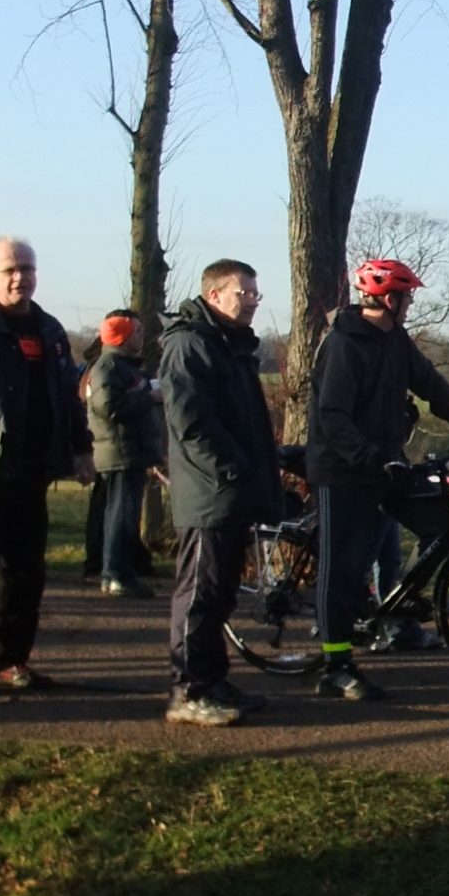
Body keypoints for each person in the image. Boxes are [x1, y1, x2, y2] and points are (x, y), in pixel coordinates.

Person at [307, 257, 449, 702]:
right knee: (342, 568)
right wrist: (370, 457)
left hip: (385, 464)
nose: (410, 304)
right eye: (407, 297)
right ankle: (335, 667)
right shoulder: (344, 344)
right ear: (388, 299)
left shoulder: (395, 339)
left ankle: (396, 602)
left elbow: (432, 385)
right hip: (343, 469)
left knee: (441, 524)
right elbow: (332, 417)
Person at [0, 235, 91, 695]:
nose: (20, 278)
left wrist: (81, 447)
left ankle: (8, 660)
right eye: (10, 270)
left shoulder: (49, 331)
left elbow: (69, 395)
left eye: (27, 269)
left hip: (33, 469)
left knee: (25, 570)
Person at [158, 260, 291, 728]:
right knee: (200, 593)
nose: (253, 301)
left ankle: (212, 680)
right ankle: (189, 689)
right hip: (209, 493)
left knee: (220, 594)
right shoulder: (190, 345)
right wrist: (232, 470)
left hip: (230, 491)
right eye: (244, 293)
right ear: (214, 295)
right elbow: (191, 423)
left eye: (256, 293)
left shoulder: (229, 345)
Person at [86, 312, 165, 597]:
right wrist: (150, 397)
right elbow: (109, 407)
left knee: (123, 515)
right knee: (121, 516)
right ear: (123, 336)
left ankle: (118, 571)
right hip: (120, 451)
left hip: (127, 450)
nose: (142, 336)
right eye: (137, 331)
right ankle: (115, 574)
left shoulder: (122, 367)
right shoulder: (109, 367)